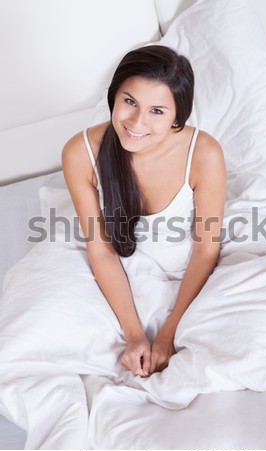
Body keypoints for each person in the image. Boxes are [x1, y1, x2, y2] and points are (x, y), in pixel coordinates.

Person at [62, 45, 226, 379]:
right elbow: (101, 248)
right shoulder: (80, 152)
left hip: (190, 272)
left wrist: (168, 334)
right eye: (129, 102)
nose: (137, 123)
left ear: (177, 116)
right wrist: (135, 335)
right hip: (124, 274)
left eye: (157, 111)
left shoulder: (203, 153)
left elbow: (206, 247)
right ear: (114, 96)